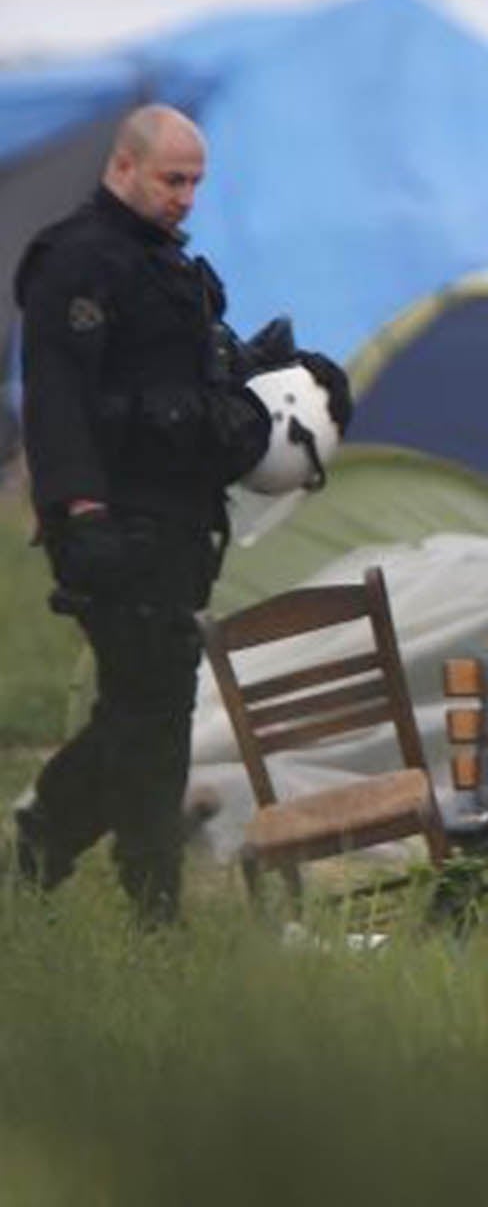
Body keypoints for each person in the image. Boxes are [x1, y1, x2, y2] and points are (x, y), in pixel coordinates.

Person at [10, 105, 347, 922]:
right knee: (150, 718)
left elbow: (186, 383)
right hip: (114, 525)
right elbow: (58, 407)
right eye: (173, 179)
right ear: (123, 168)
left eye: (196, 182)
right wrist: (78, 516)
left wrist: (260, 376)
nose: (186, 197)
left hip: (177, 528)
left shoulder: (168, 268)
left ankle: (38, 854)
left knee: (142, 711)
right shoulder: (77, 264)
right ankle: (147, 902)